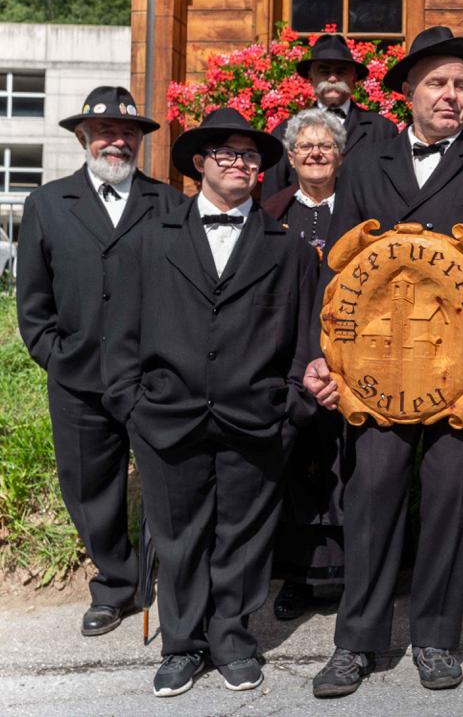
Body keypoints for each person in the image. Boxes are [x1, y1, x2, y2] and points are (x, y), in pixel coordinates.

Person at [302, 26, 463, 697]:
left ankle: (436, 637)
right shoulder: (366, 162)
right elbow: (336, 270)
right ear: (407, 91)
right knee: (371, 496)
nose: (451, 95)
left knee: (450, 499)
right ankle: (356, 643)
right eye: (437, 83)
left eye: (461, 85)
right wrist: (320, 358)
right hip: (376, 371)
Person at [102, 108, 318, 697]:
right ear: (199, 163)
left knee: (243, 538)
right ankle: (182, 645)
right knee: (178, 538)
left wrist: (293, 406)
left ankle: (232, 640)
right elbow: (119, 334)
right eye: (226, 153)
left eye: (250, 155)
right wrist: (130, 406)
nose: (240, 163)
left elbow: (306, 339)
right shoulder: (149, 240)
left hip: (258, 416)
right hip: (164, 416)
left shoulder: (290, 250)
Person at [16, 85, 184, 637]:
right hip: (78, 377)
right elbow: (33, 301)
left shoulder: (169, 204)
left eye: (128, 132)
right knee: (89, 490)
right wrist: (56, 356)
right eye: (106, 131)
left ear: (140, 141)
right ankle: (116, 585)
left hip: (152, 378)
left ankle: (179, 586)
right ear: (83, 137)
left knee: (171, 484)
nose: (117, 141)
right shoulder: (47, 204)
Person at [262, 108, 348, 619]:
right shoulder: (269, 212)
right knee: (295, 468)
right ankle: (296, 578)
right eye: (305, 146)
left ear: (340, 155)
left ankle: (350, 575)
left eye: (326, 145)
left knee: (346, 466)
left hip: (351, 359)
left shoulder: (361, 210)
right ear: (291, 158)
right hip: (289, 357)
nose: (316, 152)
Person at [261, 34, 397, 198]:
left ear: (354, 79)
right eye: (324, 71)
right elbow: (272, 201)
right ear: (311, 78)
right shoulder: (284, 132)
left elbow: (391, 193)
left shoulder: (382, 130)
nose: (332, 78)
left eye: (341, 71)